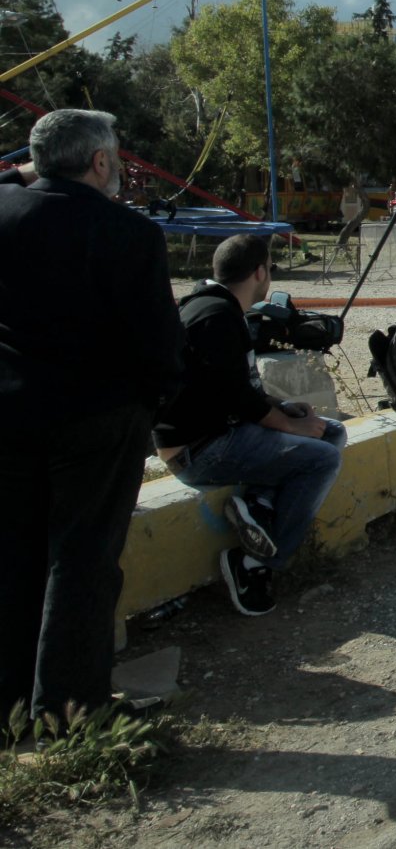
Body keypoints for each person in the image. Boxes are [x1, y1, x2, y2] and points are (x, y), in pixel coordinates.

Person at [0, 110, 182, 727]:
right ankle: (73, 710)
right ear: (100, 162)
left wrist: (34, 167)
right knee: (81, 561)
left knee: (14, 552)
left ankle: (12, 705)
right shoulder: (127, 233)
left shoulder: (5, 210)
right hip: (96, 418)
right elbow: (160, 343)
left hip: (9, 411)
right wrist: (153, 407)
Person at [155, 233, 347, 616]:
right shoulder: (215, 317)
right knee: (322, 458)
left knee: (333, 431)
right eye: (270, 269)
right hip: (201, 449)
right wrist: (290, 427)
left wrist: (284, 407)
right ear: (260, 272)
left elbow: (235, 388)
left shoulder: (218, 307)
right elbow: (234, 398)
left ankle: (258, 505)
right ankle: (256, 564)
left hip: (222, 430)